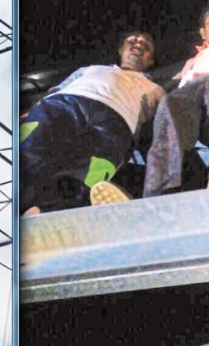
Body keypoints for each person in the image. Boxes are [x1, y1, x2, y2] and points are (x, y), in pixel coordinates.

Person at [92, 0, 209, 204]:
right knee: (169, 104)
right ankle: (159, 193)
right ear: (203, 32)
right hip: (192, 92)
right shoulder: (192, 62)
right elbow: (167, 85)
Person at [19, 31, 165, 213]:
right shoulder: (91, 69)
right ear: (121, 50)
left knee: (87, 179)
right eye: (132, 41)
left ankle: (51, 217)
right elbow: (56, 88)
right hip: (63, 105)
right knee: (29, 153)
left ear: (150, 60)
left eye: (146, 45)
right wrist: (30, 113)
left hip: (116, 125)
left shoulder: (156, 89)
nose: (139, 44)